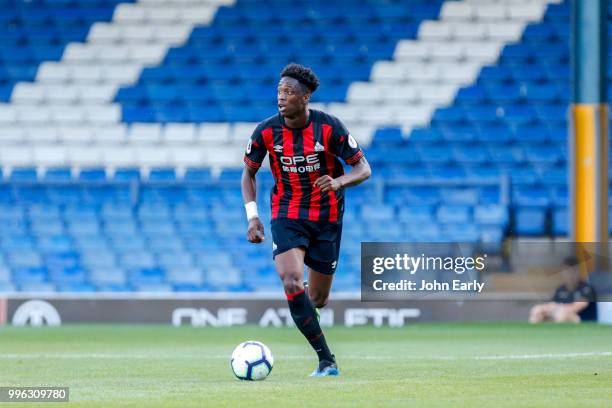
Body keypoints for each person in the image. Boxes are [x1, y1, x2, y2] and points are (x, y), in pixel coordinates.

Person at [241, 63, 371, 376]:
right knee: (290, 280)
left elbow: (363, 168)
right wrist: (253, 216)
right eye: (279, 91)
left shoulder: (329, 127)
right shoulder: (266, 132)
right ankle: (326, 360)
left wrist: (338, 182)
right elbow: (249, 172)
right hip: (287, 214)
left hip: (327, 219)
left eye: (289, 92)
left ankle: (310, 305)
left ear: (306, 97)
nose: (281, 97)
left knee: (318, 298)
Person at [529, 256, 597, 323]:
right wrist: (544, 310)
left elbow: (576, 307)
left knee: (562, 314)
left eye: (573, 270)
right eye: (567, 271)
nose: (571, 274)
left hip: (583, 320)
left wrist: (558, 308)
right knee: (537, 311)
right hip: (559, 313)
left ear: (578, 271)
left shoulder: (586, 289)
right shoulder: (560, 290)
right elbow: (552, 304)